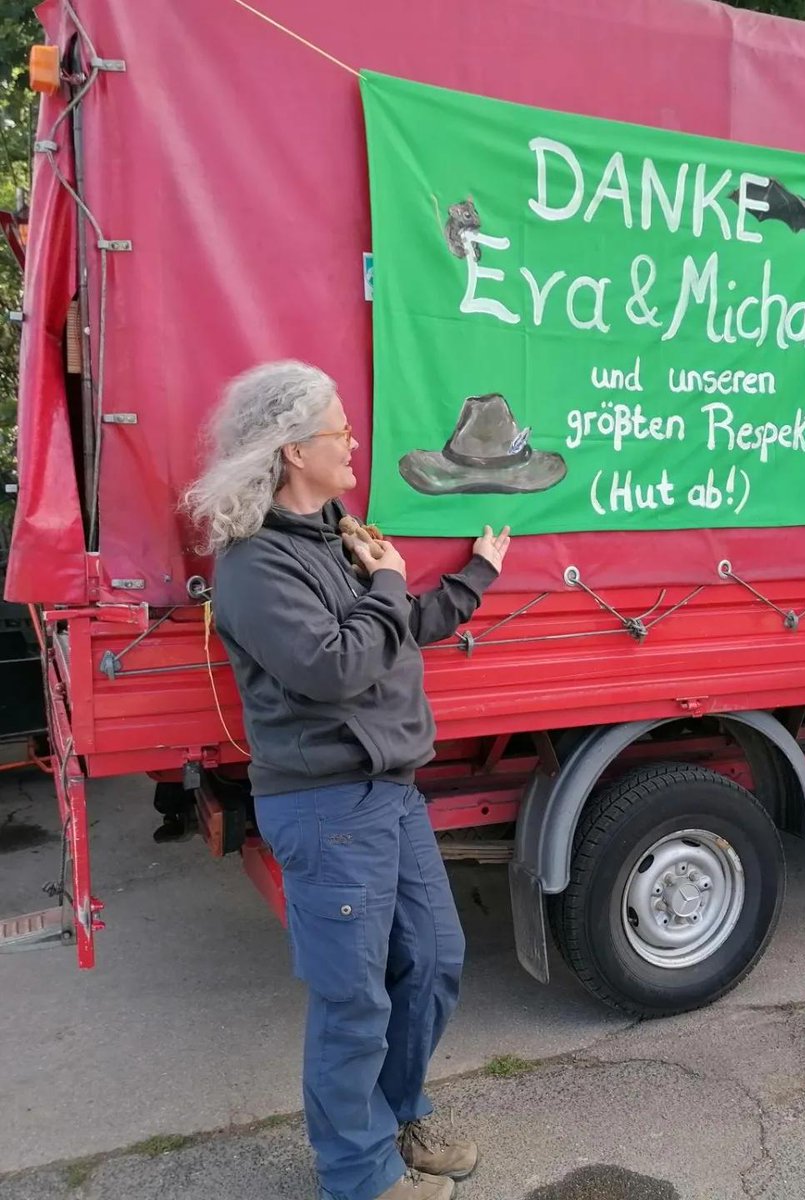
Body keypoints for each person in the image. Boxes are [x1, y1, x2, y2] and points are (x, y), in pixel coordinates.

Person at [185, 361, 509, 1199]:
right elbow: (335, 668)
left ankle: (397, 1116)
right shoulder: (255, 564)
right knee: (353, 999)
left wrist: (474, 574)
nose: (354, 440)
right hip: (326, 804)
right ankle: (357, 1175)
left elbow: (396, 633)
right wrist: (392, 579)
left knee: (435, 959)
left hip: (388, 792)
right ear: (294, 451)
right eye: (340, 431)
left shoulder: (337, 535)